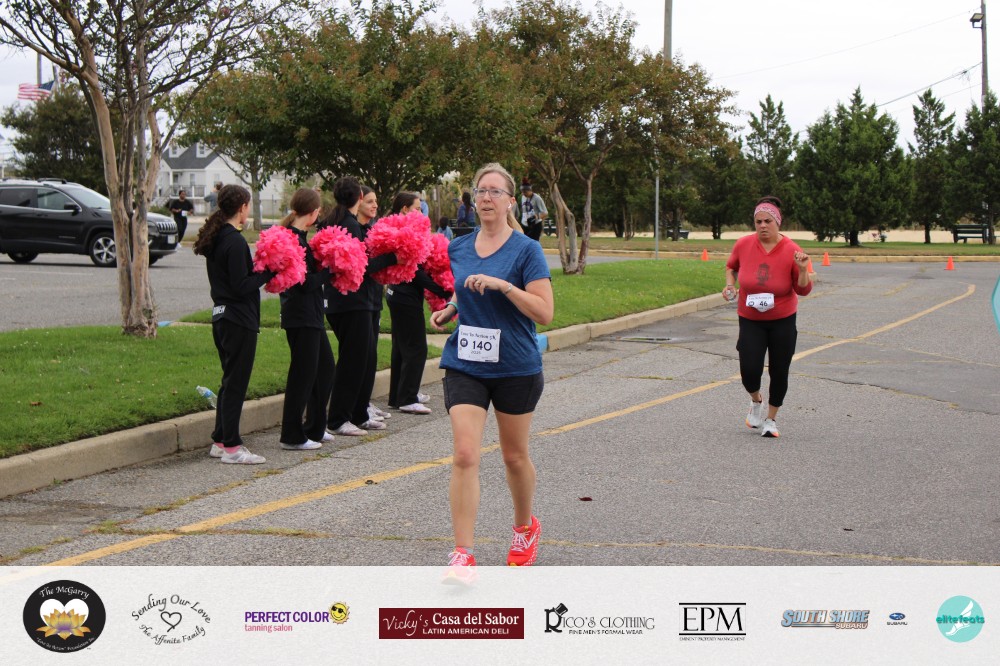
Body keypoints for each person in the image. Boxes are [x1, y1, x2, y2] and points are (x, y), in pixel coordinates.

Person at [429, 163, 554, 579]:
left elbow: (545, 312)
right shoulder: (459, 247)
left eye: (495, 191)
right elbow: (465, 287)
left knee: (514, 457)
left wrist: (505, 287)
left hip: (515, 364)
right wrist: (451, 307)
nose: (486, 197)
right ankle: (463, 553)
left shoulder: (526, 250)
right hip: (466, 361)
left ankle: (524, 528)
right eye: (481, 190)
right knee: (465, 453)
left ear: (509, 202)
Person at [194, 184, 274, 464]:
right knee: (236, 384)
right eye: (248, 206)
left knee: (229, 382)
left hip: (222, 316)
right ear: (242, 208)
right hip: (238, 319)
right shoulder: (235, 242)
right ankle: (232, 447)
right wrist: (268, 273)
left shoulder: (217, 237)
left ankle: (220, 440)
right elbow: (241, 286)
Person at [724, 196, 812, 439]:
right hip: (750, 318)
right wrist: (730, 285)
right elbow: (731, 267)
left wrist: (803, 270)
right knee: (749, 370)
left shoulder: (792, 250)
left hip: (782, 319)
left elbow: (803, 289)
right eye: (758, 221)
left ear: (778, 222)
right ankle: (756, 400)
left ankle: (771, 420)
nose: (762, 226)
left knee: (779, 370)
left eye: (768, 221)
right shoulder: (743, 244)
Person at [321, 177, 397, 437]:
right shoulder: (349, 225)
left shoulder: (341, 221)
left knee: (362, 359)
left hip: (348, 302)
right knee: (353, 362)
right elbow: (361, 266)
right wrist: (392, 257)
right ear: (359, 197)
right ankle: (338, 418)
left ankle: (358, 414)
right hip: (351, 303)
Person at [277, 188, 336, 451]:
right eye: (318, 211)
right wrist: (330, 271)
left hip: (310, 314)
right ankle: (291, 435)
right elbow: (303, 283)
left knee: (324, 369)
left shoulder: (301, 237)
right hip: (300, 315)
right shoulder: (293, 240)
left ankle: (315, 427)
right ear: (313, 212)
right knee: (302, 376)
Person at [386, 192, 452, 415]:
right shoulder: (405, 233)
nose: (421, 212)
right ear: (405, 209)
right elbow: (413, 271)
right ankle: (407, 397)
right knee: (416, 348)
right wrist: (440, 289)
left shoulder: (398, 228)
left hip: (396, 294)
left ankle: (398, 395)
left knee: (400, 348)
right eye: (417, 208)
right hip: (405, 297)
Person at [357, 185, 392, 428]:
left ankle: (364, 404)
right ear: (358, 202)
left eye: (376, 201)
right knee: (362, 356)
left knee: (371, 357)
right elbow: (365, 266)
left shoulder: (372, 230)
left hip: (373, 299)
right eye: (370, 201)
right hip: (359, 301)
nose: (375, 205)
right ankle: (357, 408)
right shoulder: (355, 230)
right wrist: (392, 258)